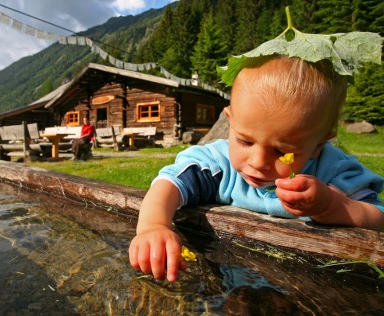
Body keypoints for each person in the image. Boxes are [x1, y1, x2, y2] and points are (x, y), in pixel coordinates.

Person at [128, 55, 384, 283]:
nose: (258, 161)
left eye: (282, 152)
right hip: (231, 280)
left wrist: (332, 206)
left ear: (318, 146)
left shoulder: (332, 171)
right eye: (244, 141)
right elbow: (170, 183)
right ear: (230, 123)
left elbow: (378, 218)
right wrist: (153, 226)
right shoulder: (219, 164)